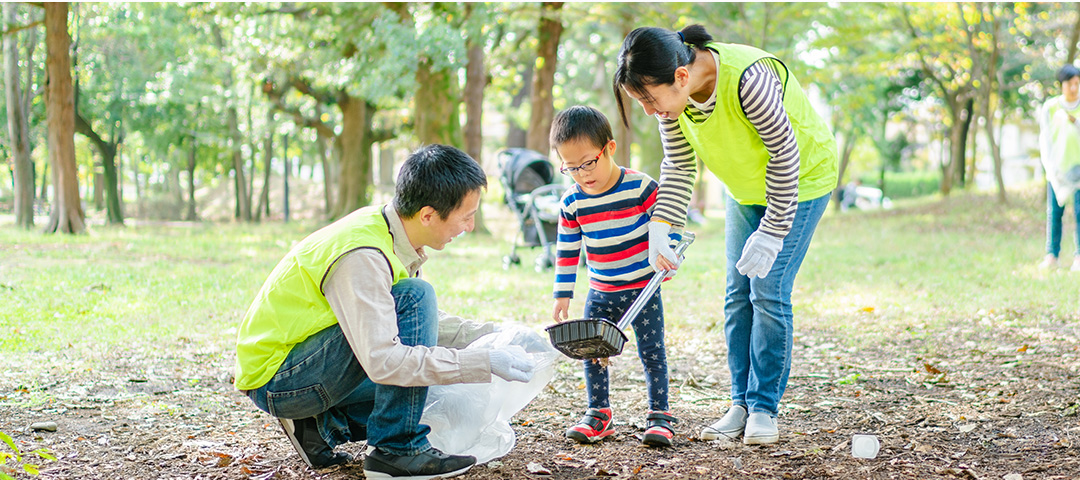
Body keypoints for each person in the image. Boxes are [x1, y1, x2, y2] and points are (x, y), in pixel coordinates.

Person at [233, 144, 537, 480]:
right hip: (283, 378)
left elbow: (412, 324)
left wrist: (493, 334)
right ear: (428, 215)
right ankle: (396, 451)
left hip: (304, 364)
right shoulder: (363, 255)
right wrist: (483, 363)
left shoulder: (390, 231)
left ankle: (320, 427)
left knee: (434, 385)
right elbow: (385, 360)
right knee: (417, 314)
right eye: (466, 216)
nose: (469, 226)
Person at [613, 25, 838, 445]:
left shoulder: (748, 80)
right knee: (737, 293)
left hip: (802, 180)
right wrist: (662, 227)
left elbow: (785, 154)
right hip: (746, 188)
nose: (648, 110)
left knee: (768, 291)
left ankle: (764, 408)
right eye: (639, 101)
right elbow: (679, 167)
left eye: (648, 98)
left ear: (681, 76)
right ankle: (740, 402)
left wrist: (772, 231)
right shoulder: (674, 107)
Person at [549, 106, 681, 447]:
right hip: (601, 291)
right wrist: (562, 295)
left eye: (588, 162)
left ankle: (660, 415)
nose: (581, 174)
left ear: (609, 148)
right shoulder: (572, 202)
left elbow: (669, 226)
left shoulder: (641, 188)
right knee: (593, 353)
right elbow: (567, 251)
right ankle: (599, 413)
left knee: (652, 352)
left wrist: (669, 250)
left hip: (642, 291)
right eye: (571, 167)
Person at [1037, 64, 1080, 272]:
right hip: (1057, 169)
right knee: (1054, 213)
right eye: (1070, 84)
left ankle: (1079, 256)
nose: (1074, 88)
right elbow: (1045, 138)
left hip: (1079, 167)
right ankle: (1051, 255)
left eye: (1077, 84)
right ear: (1061, 85)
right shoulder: (1051, 107)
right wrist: (1050, 167)